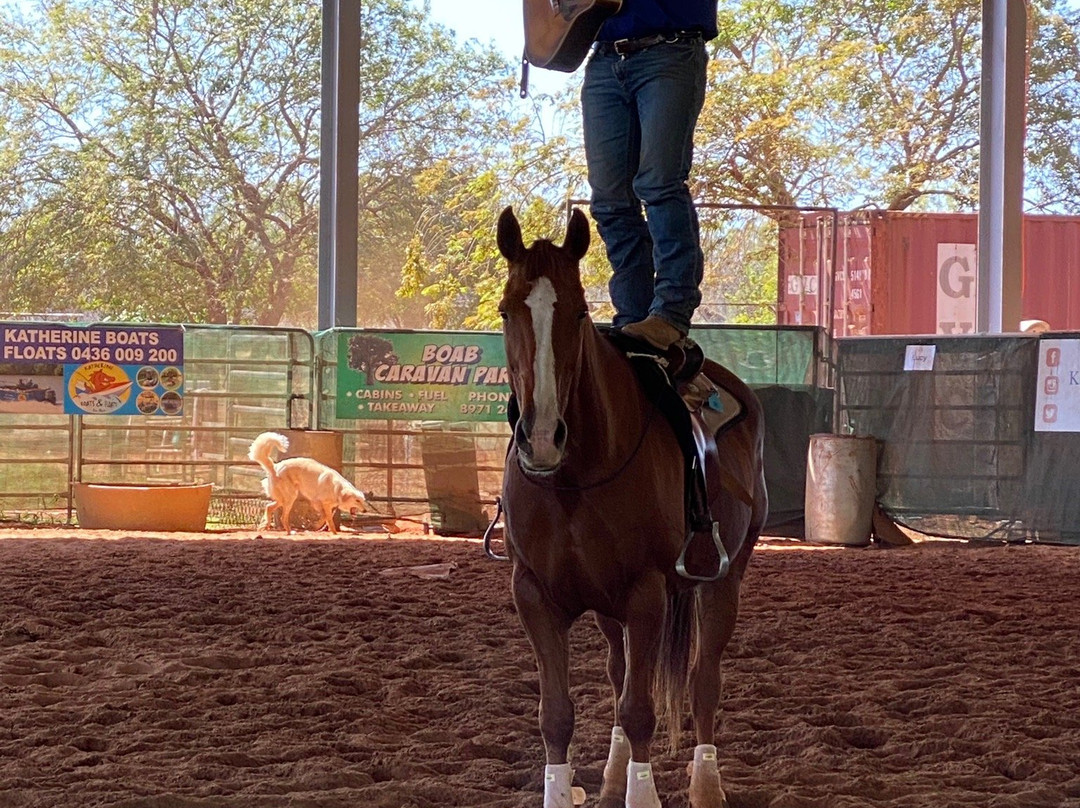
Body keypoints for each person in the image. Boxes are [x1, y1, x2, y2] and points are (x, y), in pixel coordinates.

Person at [582, 0, 717, 350]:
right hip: (603, 59)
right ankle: (632, 319)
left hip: (670, 49)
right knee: (610, 202)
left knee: (659, 184)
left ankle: (671, 314)